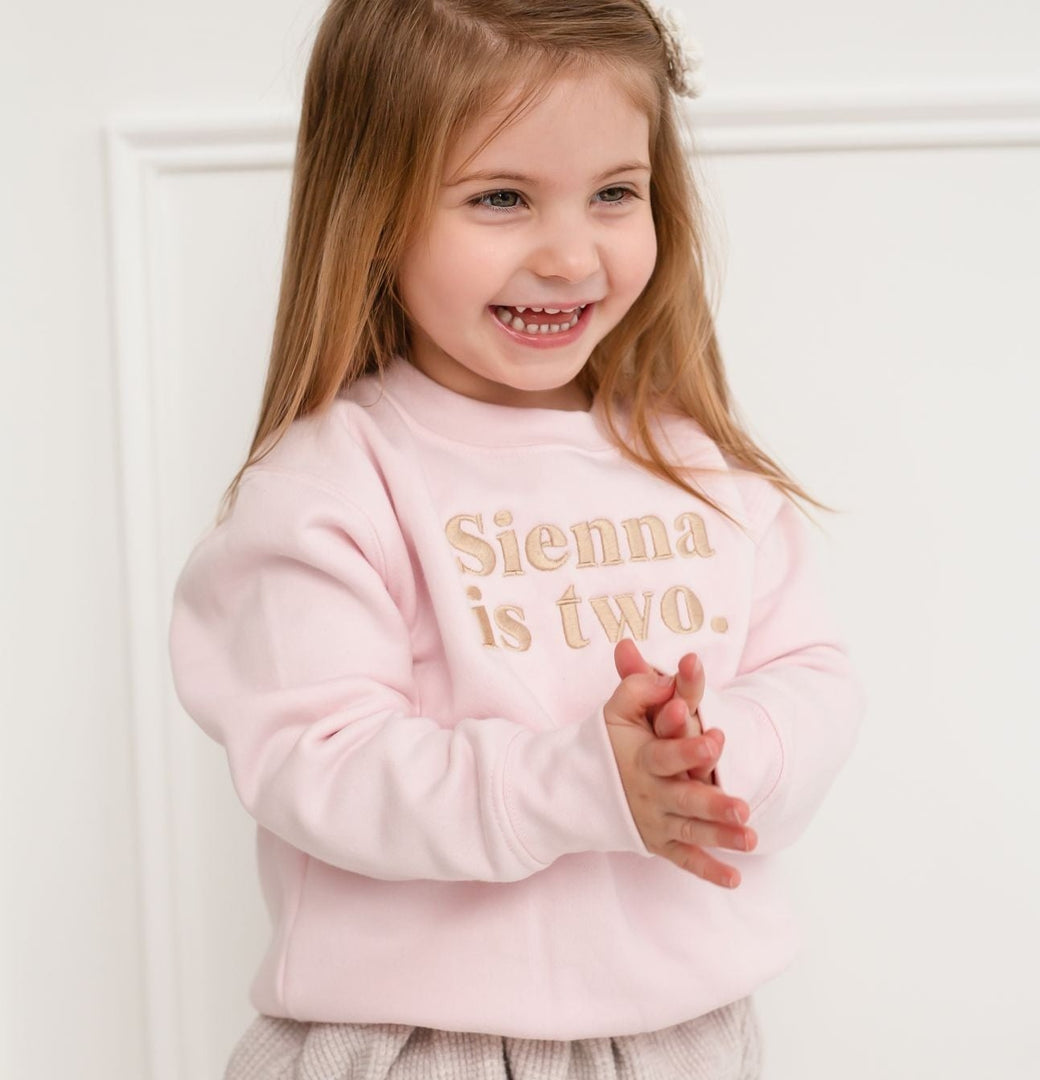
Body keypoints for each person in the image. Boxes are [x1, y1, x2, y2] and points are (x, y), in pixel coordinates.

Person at [168, 1, 865, 1077]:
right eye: (501, 197)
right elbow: (320, 763)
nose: (571, 254)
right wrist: (584, 782)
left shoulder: (698, 467)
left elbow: (813, 676)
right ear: (374, 209)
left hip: (688, 1041)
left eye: (615, 193)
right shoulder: (334, 484)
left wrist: (711, 755)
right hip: (419, 1044)